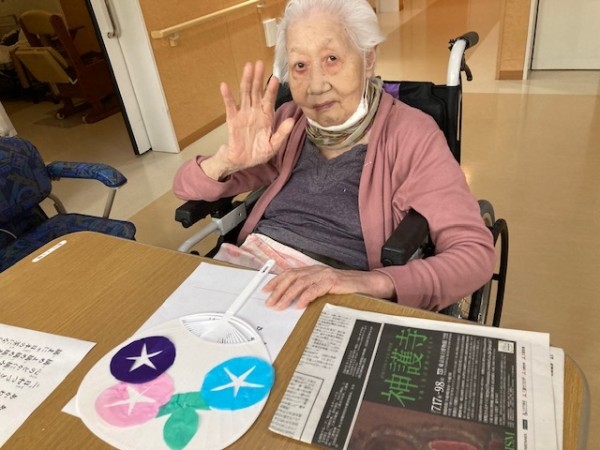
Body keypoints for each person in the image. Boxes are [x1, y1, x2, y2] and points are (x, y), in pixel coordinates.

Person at [173, 0, 495, 312]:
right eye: (300, 65)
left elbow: (474, 254)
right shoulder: (287, 122)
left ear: (368, 58)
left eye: (331, 58)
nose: (315, 86)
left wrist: (369, 282)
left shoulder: (411, 135)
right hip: (251, 271)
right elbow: (184, 187)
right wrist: (226, 161)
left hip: (339, 292)